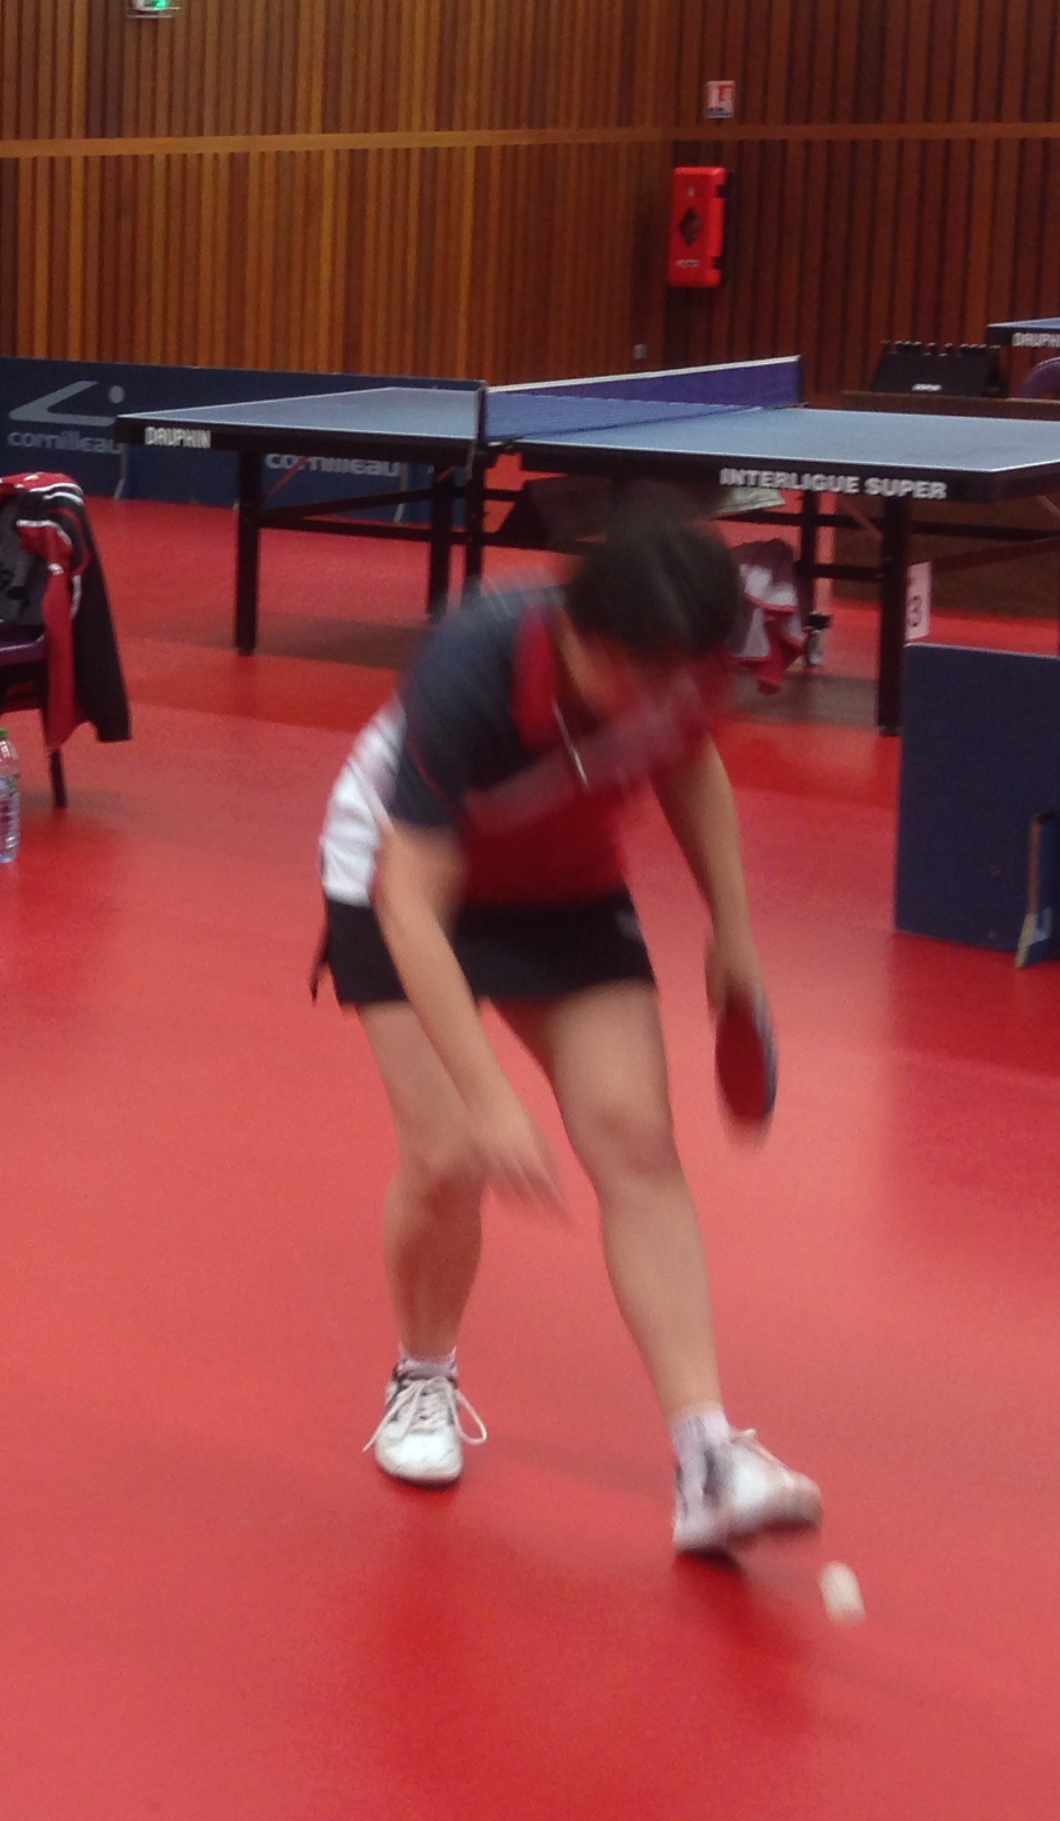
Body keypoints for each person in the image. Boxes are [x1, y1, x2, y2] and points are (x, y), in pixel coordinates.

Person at [316, 507, 820, 1557]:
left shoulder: (679, 661)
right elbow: (412, 906)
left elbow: (689, 764)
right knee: (448, 1155)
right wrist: (491, 1098)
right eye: (641, 674)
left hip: (562, 879)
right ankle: (422, 1378)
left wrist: (733, 932)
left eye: (683, 677)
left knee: (635, 1135)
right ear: (585, 638)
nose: (664, 698)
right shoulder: (474, 669)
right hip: (401, 880)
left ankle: (708, 1461)